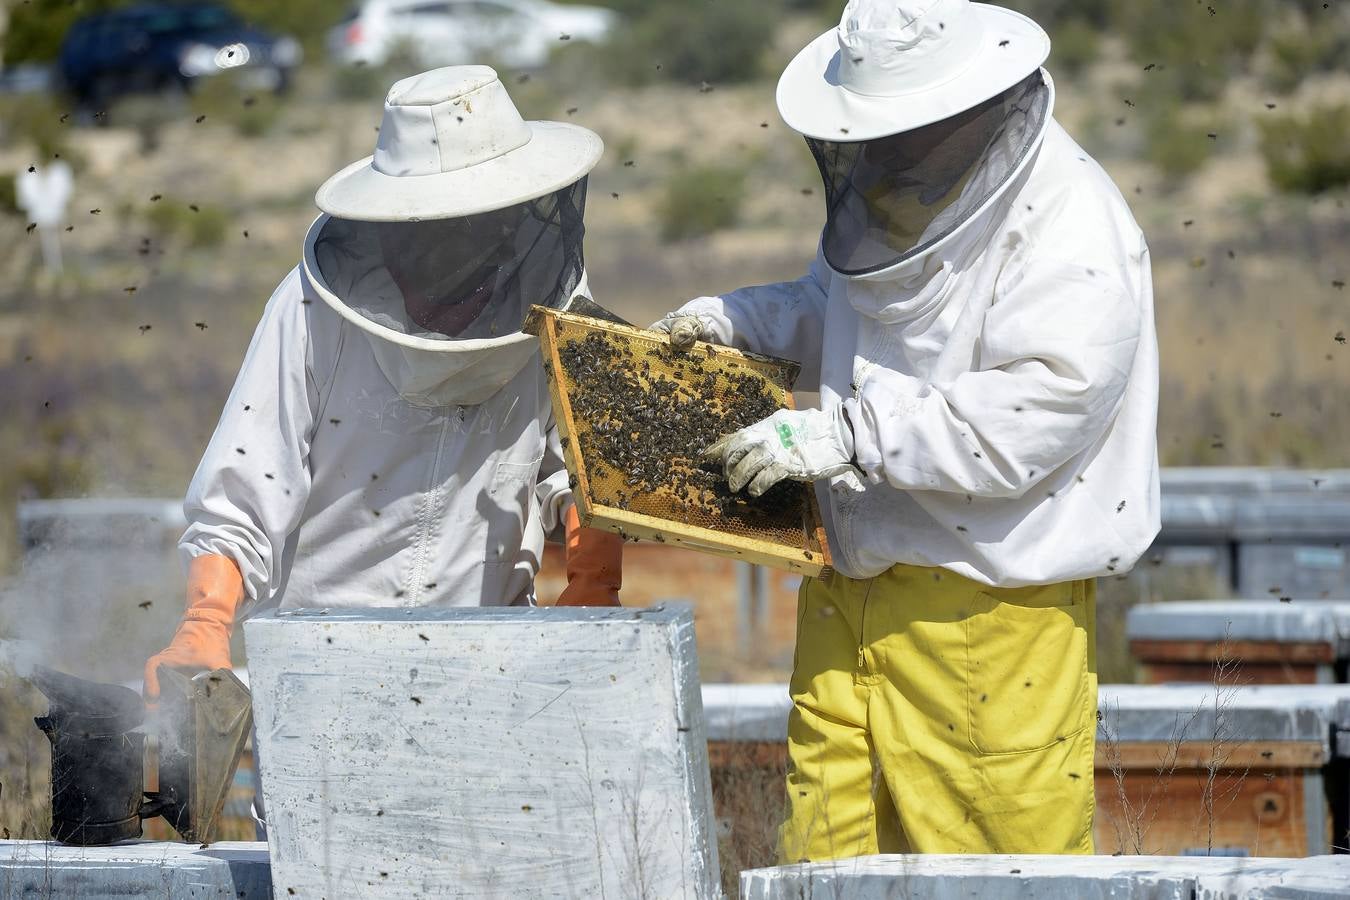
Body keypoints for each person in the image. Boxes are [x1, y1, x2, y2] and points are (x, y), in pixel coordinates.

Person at [656, 0, 1159, 860]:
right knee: (825, 858)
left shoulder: (1073, 223)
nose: (881, 155)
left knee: (995, 874)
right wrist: (738, 321)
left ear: (965, 108)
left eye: (901, 134)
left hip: (991, 623)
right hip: (847, 595)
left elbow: (1037, 413)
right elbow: (838, 307)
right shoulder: (893, 195)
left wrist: (850, 434)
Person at [145, 66, 623, 704]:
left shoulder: (555, 298)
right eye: (444, 228)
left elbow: (579, 464)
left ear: (515, 215)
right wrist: (205, 623)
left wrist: (593, 571)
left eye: (481, 222)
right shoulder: (314, 311)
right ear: (400, 226)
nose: (464, 245)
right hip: (319, 663)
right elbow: (244, 488)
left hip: (492, 657)